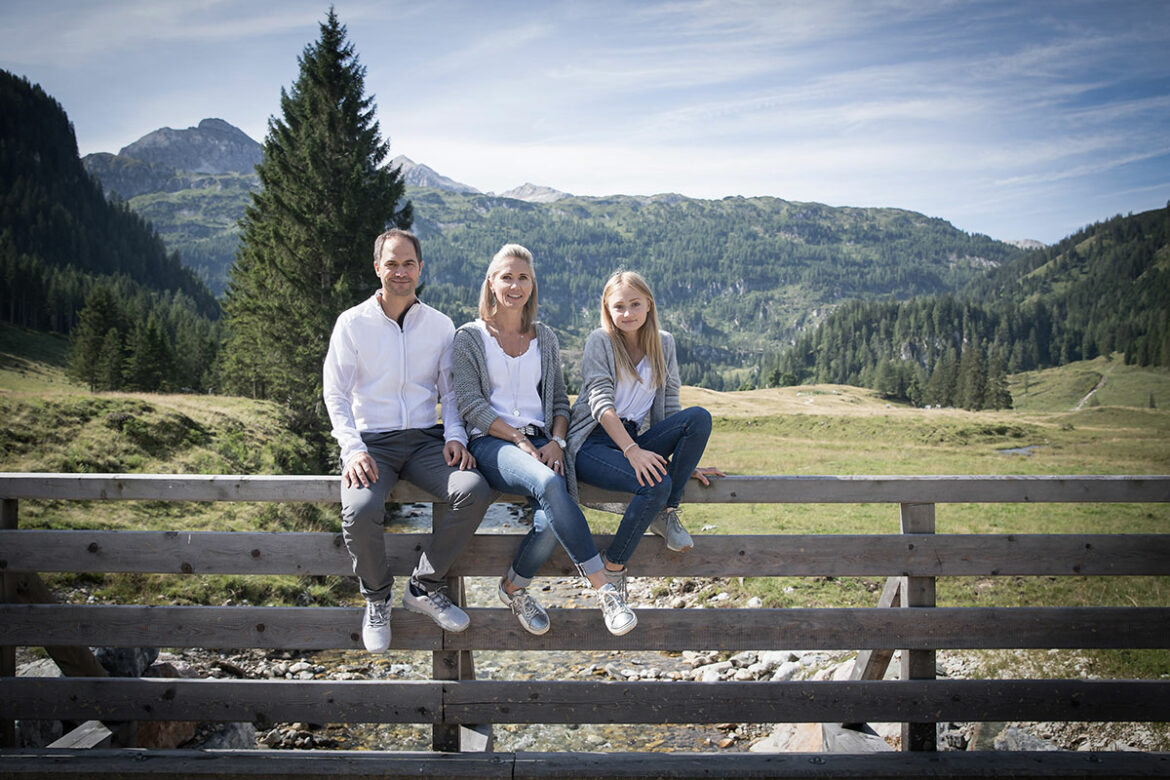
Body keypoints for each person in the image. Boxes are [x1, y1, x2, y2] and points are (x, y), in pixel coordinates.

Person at [452, 243, 637, 637]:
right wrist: (520, 441)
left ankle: (513, 588)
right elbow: (470, 404)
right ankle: (605, 589)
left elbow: (558, 401)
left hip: (543, 443)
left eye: (523, 277)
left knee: (552, 519)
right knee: (552, 485)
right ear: (491, 283)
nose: (515, 285)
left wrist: (557, 441)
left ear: (532, 285)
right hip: (493, 442)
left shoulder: (545, 337)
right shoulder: (469, 337)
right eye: (507, 277)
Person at [323, 228, 492, 653]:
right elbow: (335, 392)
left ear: (420, 268)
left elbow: (449, 392)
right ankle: (377, 598)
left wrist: (454, 435)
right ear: (377, 267)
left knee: (472, 489)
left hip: (424, 441)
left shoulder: (439, 325)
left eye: (408, 263)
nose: (401, 271)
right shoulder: (352, 323)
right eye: (392, 263)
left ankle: (424, 585)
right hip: (371, 444)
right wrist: (352, 448)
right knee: (360, 510)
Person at [567, 270, 724, 598]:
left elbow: (669, 405)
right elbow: (600, 402)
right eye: (619, 307)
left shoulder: (664, 343)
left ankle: (667, 513)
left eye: (635, 304)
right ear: (607, 310)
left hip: (634, 437)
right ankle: (613, 566)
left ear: (649, 305)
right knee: (656, 484)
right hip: (594, 440)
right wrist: (631, 451)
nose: (627, 313)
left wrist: (683, 460)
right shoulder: (602, 341)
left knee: (697, 418)